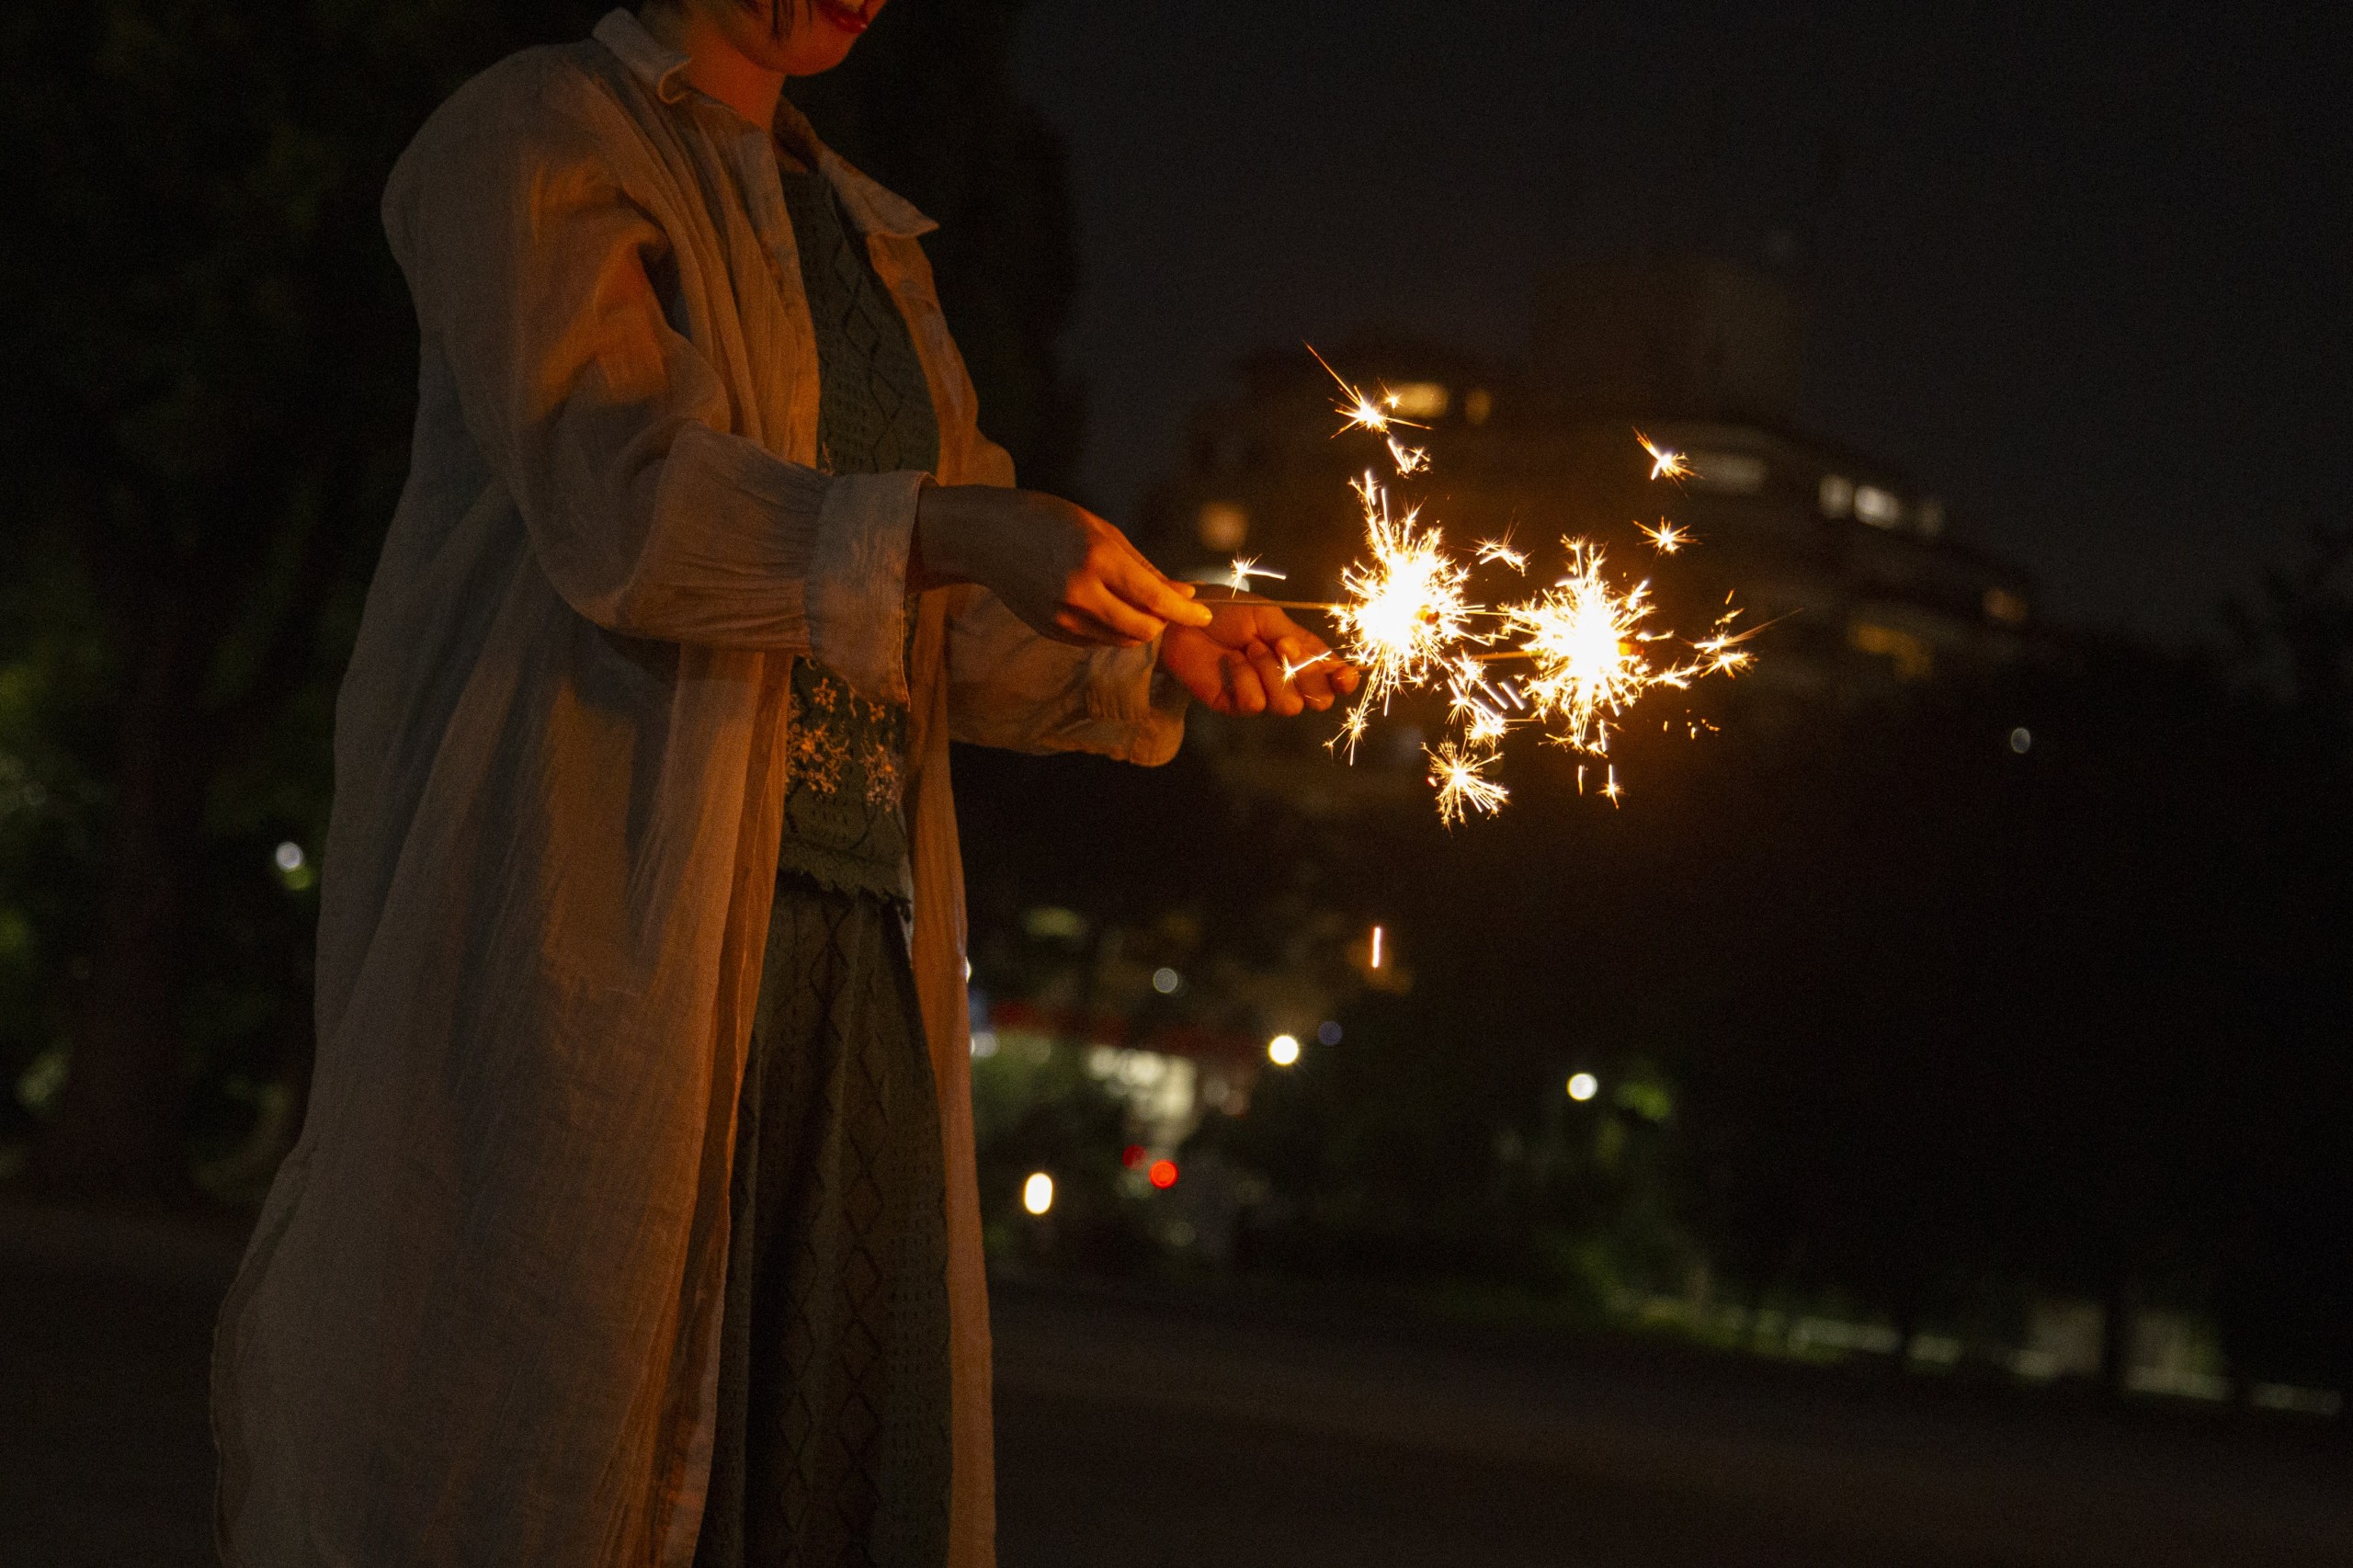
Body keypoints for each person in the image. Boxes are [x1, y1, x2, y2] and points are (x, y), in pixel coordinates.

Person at [209, 3, 1355, 1565]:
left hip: (844, 966)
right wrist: (963, 531)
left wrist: (1164, 654)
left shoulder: (867, 237)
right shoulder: (538, 140)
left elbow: (941, 626)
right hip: (603, 920)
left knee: (818, 1467)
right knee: (557, 1428)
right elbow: (629, 503)